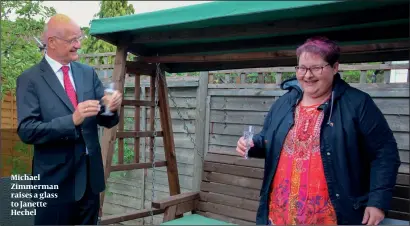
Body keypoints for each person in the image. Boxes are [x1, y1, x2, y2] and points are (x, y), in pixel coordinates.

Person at [236, 37, 401, 225]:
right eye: (302, 68)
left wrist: (377, 202)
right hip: (278, 217)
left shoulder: (358, 104)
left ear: (335, 67)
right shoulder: (283, 103)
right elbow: (268, 140)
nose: (307, 75)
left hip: (332, 218)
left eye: (316, 68)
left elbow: (385, 154)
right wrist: (252, 144)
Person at [16, 14, 122, 225]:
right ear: (52, 42)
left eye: (79, 38)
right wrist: (72, 120)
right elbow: (27, 130)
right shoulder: (30, 80)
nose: (78, 45)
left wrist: (110, 107)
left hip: (90, 183)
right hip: (54, 185)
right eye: (72, 40)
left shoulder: (87, 73)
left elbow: (105, 120)